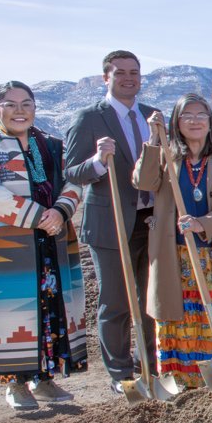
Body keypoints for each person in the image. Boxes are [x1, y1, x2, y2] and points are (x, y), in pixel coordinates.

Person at [133, 94, 212, 388]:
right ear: (176, 122)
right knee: (179, 313)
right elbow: (143, 182)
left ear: (211, 122)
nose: (195, 121)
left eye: (201, 115)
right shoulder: (165, 157)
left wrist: (202, 224)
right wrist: (153, 139)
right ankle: (182, 380)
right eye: (187, 116)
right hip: (176, 255)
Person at [64, 50, 159, 393]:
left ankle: (149, 360)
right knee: (116, 301)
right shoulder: (88, 118)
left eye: (134, 72)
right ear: (106, 78)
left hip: (151, 222)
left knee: (152, 298)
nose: (128, 77)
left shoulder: (152, 117)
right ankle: (120, 372)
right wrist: (97, 162)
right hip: (110, 223)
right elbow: (72, 171)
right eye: (120, 73)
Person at [0, 81, 87, 410]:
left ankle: (45, 380)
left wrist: (60, 212)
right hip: (8, 247)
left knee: (51, 309)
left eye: (26, 104)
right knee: (14, 316)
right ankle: (16, 385)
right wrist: (38, 216)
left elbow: (72, 181)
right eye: (11, 104)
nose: (20, 110)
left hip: (51, 243)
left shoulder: (49, 144)